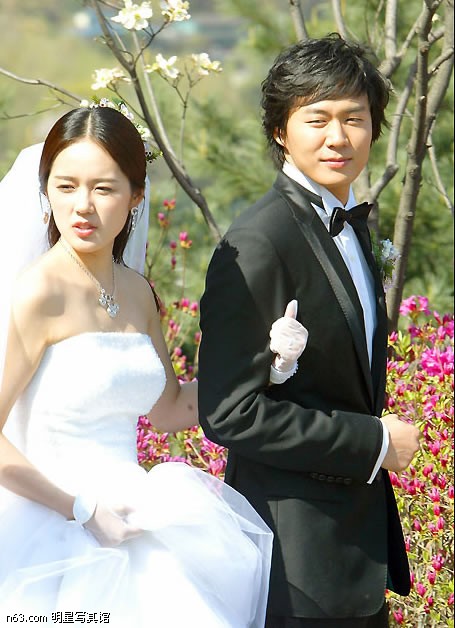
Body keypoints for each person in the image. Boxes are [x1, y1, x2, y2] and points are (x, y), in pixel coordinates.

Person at [0, 104, 308, 627]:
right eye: (65, 186)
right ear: (45, 190)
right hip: (52, 528)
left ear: (135, 196)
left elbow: (169, 409)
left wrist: (270, 364)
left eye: (103, 188)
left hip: (135, 516)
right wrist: (80, 509)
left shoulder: (137, 292)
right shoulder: (39, 292)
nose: (82, 206)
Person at [198, 33, 421, 627]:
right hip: (293, 561)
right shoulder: (259, 242)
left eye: (354, 118)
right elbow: (228, 412)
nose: (338, 137)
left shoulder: (349, 226)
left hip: (354, 553)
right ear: (280, 129)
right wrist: (372, 443)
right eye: (317, 118)